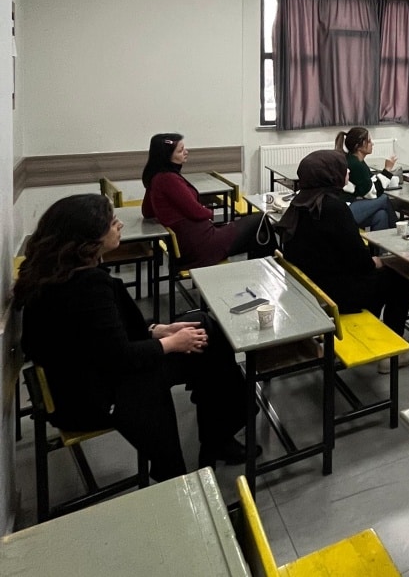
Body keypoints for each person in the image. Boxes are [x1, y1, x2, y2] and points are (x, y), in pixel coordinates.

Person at [14, 194, 249, 481]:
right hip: (89, 396)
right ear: (88, 241)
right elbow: (119, 357)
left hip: (82, 377)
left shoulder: (54, 274)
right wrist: (169, 343)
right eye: (112, 223)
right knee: (205, 346)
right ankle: (195, 455)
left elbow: (96, 338)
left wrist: (155, 331)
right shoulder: (86, 286)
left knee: (201, 325)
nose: (119, 226)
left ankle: (218, 434)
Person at [280, 150, 409, 372]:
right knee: (398, 280)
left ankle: (374, 330)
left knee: (382, 275)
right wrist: (386, 261)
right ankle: (392, 354)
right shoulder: (333, 208)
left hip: (312, 291)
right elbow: (363, 264)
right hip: (336, 296)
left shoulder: (300, 203)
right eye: (343, 167)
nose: (348, 171)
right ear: (330, 174)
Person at [141, 133, 274, 269]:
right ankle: (272, 270)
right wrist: (209, 212)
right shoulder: (169, 179)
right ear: (166, 156)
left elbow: (147, 212)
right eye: (180, 151)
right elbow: (196, 212)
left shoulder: (156, 178)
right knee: (261, 219)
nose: (186, 152)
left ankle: (263, 271)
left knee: (260, 236)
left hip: (190, 244)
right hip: (201, 245)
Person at [336, 126, 399, 231]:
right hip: (346, 210)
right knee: (384, 199)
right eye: (369, 141)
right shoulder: (355, 164)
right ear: (359, 146)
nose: (372, 144)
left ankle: (378, 247)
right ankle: (398, 232)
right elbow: (372, 194)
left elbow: (371, 181)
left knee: (381, 215)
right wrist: (387, 169)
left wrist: (383, 175)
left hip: (353, 205)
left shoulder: (356, 160)